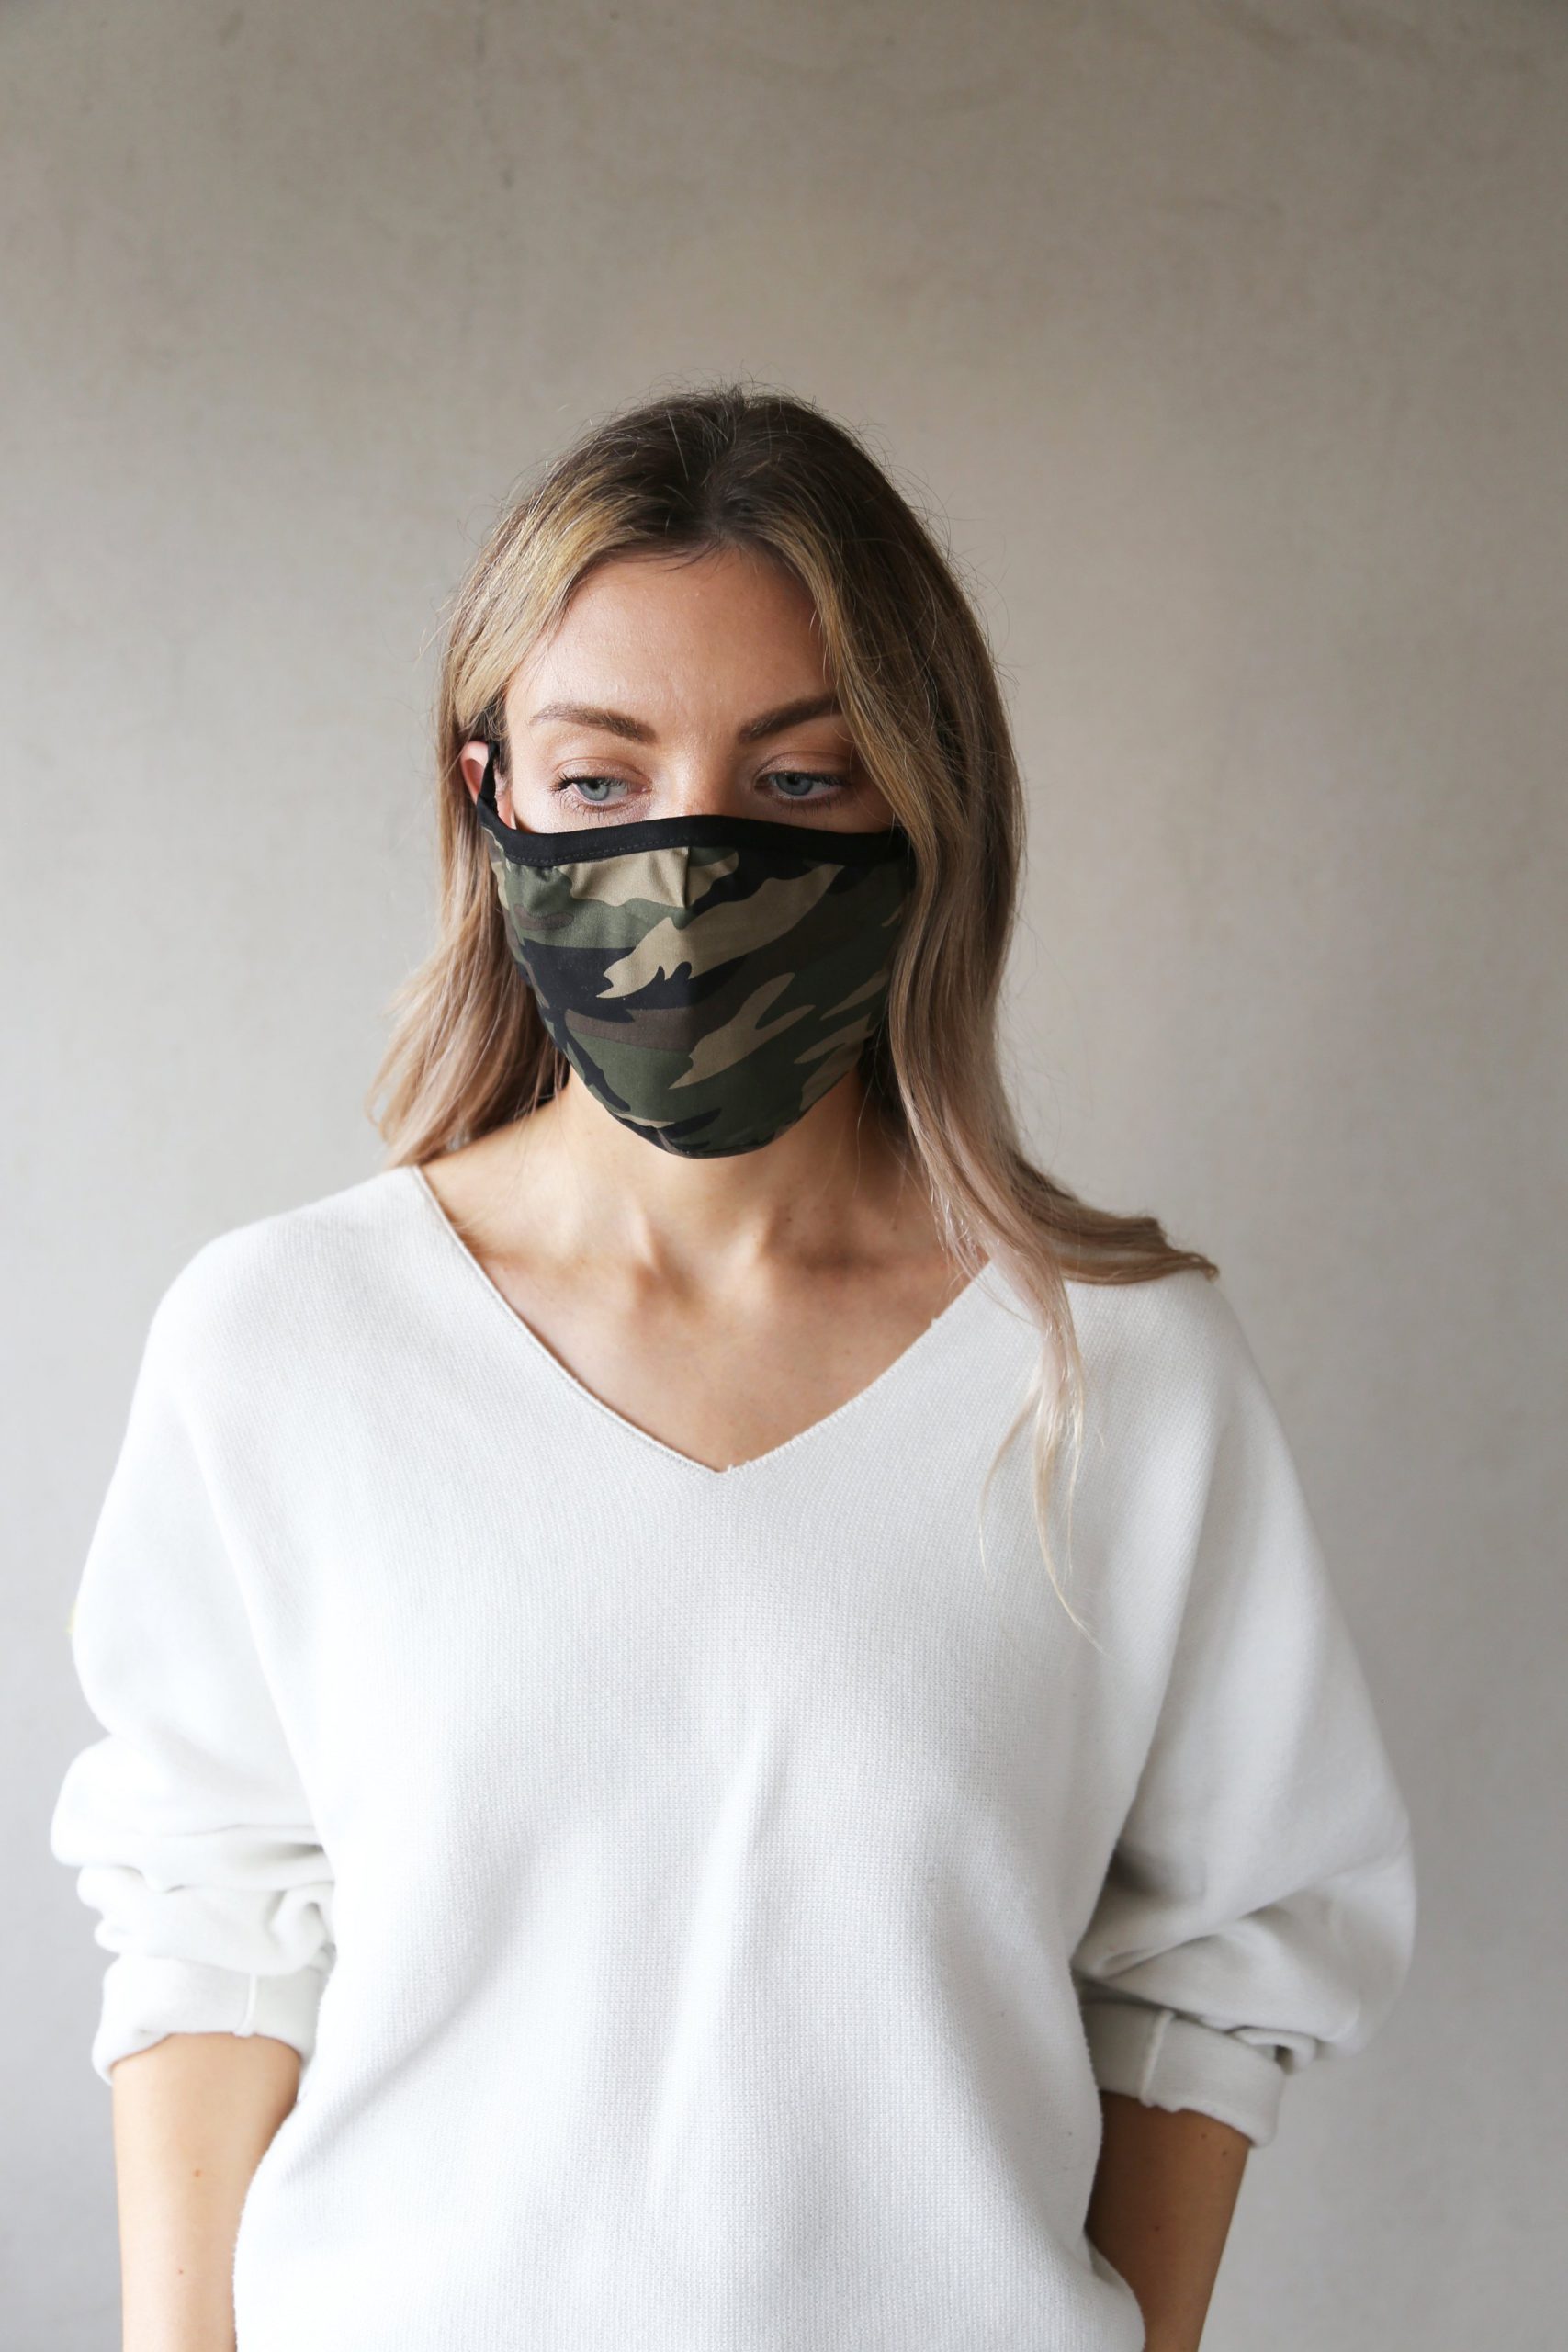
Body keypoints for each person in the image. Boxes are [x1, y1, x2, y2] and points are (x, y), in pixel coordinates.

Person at [50, 385, 1416, 2352]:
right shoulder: (285, 1342)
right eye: (599, 777)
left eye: (795, 779)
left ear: (923, 806)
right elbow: (212, 1924)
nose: (689, 856)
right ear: (488, 797)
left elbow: (1223, 1957)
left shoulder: (1113, 1373)